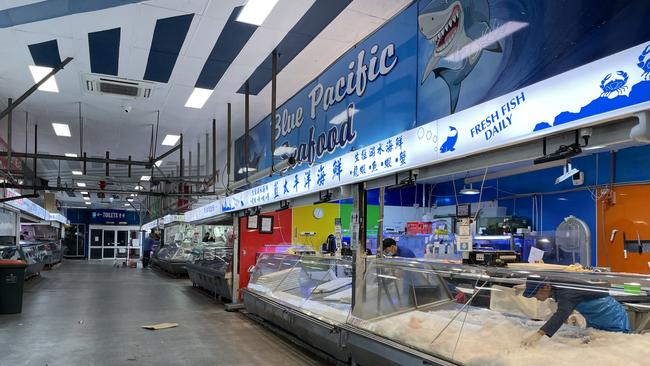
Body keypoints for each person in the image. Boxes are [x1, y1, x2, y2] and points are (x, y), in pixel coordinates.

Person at [520, 277, 630, 347]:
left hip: (611, 317)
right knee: (596, 343)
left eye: (536, 295)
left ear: (546, 287)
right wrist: (523, 287)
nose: (537, 299)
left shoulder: (566, 293)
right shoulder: (552, 283)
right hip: (595, 318)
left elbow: (561, 314)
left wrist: (538, 334)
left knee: (615, 346)